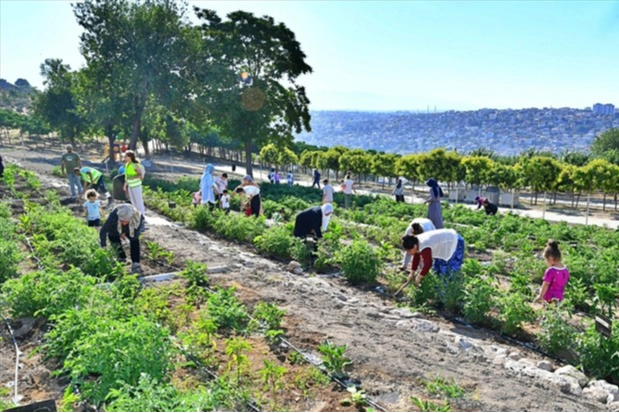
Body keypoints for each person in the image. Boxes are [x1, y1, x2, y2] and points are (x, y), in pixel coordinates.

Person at [100, 204, 145, 274]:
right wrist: (103, 245)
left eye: (126, 221)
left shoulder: (137, 217)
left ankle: (136, 263)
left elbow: (136, 232)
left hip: (132, 226)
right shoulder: (113, 216)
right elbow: (103, 230)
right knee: (112, 236)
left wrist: (124, 232)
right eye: (122, 221)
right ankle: (122, 257)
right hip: (115, 227)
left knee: (134, 240)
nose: (124, 223)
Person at [123, 150, 145, 215]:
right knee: (133, 202)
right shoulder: (127, 165)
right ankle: (136, 215)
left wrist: (133, 178)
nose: (125, 157)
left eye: (126, 156)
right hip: (130, 186)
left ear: (130, 157)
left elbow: (140, 175)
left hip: (136, 186)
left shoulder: (135, 165)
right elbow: (127, 176)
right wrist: (125, 184)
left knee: (138, 202)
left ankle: (142, 215)